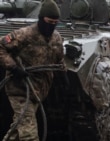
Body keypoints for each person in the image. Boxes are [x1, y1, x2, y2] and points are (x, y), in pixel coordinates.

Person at [0, 0, 66, 140]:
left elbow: (59, 60)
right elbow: (1, 47)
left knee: (19, 131)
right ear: (41, 19)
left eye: (55, 23)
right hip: (20, 89)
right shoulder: (25, 34)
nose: (51, 26)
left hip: (39, 91)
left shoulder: (56, 38)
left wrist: (63, 77)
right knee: (29, 134)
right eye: (49, 22)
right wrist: (13, 67)